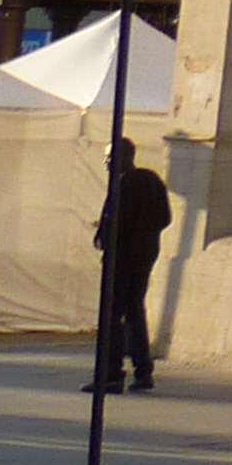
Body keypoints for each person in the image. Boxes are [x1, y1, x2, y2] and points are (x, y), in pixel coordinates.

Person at [87, 139, 173, 395]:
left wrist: (114, 238)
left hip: (122, 259)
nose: (107, 164)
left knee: (113, 316)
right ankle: (143, 370)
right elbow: (165, 218)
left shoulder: (124, 185)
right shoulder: (151, 181)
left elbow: (116, 223)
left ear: (124, 158)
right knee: (135, 312)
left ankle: (112, 374)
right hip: (144, 257)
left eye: (111, 159)